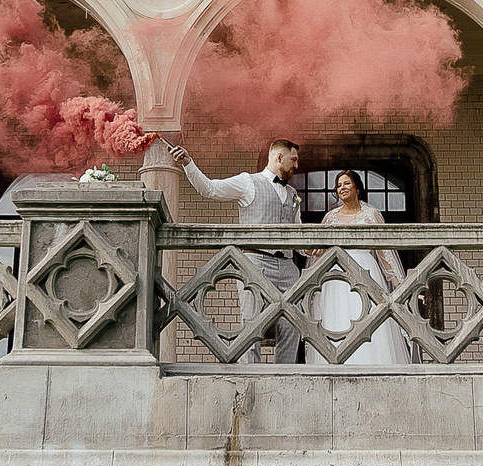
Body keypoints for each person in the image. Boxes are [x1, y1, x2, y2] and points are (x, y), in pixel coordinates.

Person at [165, 137, 305, 363]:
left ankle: (284, 376)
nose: (297, 166)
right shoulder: (248, 182)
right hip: (255, 262)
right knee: (252, 327)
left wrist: (312, 248)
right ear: (279, 157)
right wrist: (188, 163)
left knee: (293, 325)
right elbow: (210, 189)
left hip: (288, 267)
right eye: (294, 160)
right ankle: (250, 379)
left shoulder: (293, 195)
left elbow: (298, 235)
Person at [307, 168, 415, 366]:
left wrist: (400, 285)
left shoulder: (371, 214)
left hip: (366, 270)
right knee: (336, 319)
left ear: (357, 188)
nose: (342, 188)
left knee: (369, 319)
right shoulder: (330, 218)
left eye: (346, 183)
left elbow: (385, 254)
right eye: (339, 185)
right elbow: (319, 252)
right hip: (336, 276)